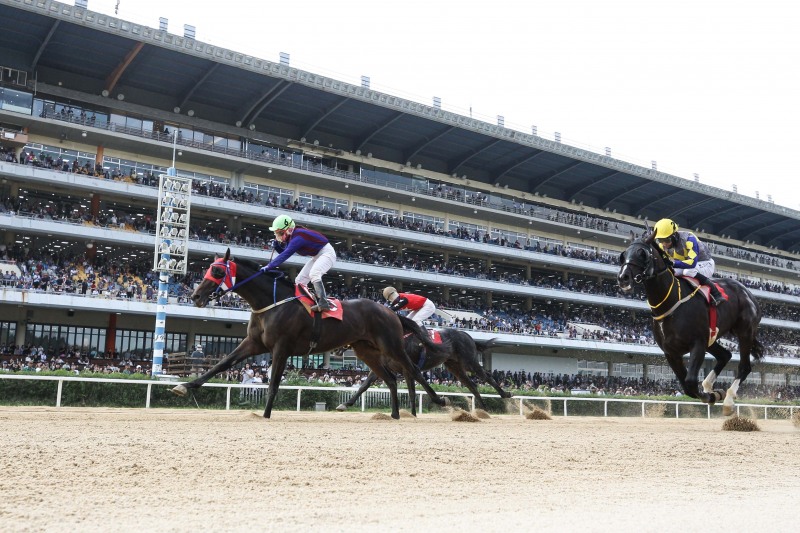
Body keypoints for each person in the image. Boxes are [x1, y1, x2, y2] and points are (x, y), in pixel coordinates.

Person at [260, 214, 336, 312]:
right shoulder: (293, 236)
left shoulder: (298, 237)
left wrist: (269, 266)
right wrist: (277, 247)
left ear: (288, 230)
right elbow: (284, 252)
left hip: (327, 253)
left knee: (314, 273)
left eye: (279, 232)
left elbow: (286, 254)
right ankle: (308, 303)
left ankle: (323, 303)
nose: (277, 236)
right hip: (318, 255)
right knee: (299, 281)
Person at [653, 218, 725, 306]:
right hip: (685, 265)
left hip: (705, 263)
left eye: (667, 240)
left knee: (688, 271)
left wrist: (673, 263)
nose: (664, 244)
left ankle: (716, 293)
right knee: (670, 272)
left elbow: (692, 263)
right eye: (660, 240)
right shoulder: (662, 245)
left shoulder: (689, 239)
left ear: (674, 235)